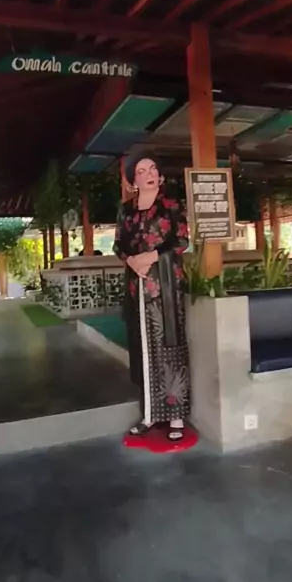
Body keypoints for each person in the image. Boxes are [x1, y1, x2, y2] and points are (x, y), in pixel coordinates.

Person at [113, 153, 191, 441]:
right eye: (141, 171)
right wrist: (133, 262)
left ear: (160, 176)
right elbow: (118, 244)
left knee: (170, 347)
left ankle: (176, 416)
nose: (148, 174)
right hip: (137, 286)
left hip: (166, 286)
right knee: (142, 351)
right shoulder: (125, 210)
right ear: (133, 180)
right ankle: (149, 414)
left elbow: (181, 240)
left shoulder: (171, 205)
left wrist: (151, 257)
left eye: (153, 169)